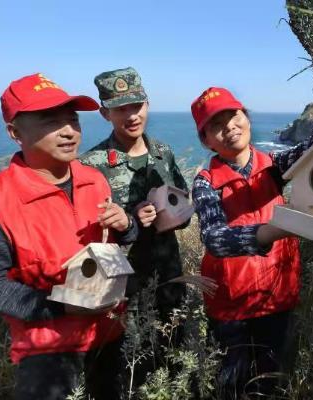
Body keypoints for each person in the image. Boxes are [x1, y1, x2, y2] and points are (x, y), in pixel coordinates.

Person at [0, 73, 138, 400]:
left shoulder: (95, 180)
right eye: (50, 122)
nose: (69, 131)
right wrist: (61, 306)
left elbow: (112, 246)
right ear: (15, 132)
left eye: (72, 120)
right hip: (47, 352)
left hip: (110, 335)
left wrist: (128, 224)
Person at [190, 87, 313, 399]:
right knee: (232, 385)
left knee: (271, 382)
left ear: (247, 119)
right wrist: (270, 231)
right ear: (206, 140)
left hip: (276, 297)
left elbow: (312, 150)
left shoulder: (274, 166)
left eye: (234, 116)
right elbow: (214, 238)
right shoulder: (205, 182)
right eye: (215, 124)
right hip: (230, 307)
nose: (229, 127)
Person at [79, 67, 189, 382]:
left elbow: (182, 208)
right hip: (122, 287)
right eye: (120, 109)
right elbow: (88, 237)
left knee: (174, 355)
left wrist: (175, 216)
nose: (131, 115)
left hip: (169, 275)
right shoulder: (91, 165)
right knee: (130, 365)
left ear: (148, 104)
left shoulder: (162, 153)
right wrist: (129, 222)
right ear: (104, 113)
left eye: (137, 105)